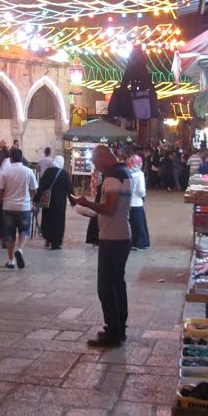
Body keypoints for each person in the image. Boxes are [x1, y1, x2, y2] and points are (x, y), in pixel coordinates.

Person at [75, 145, 132, 347]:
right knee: (118, 285)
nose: (95, 167)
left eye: (96, 163)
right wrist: (89, 210)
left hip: (114, 239)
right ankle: (118, 329)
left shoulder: (112, 177)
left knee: (106, 287)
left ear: (104, 158)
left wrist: (87, 203)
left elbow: (109, 208)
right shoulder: (125, 172)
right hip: (120, 236)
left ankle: (113, 332)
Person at [0, 147, 36, 269]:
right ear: (22, 158)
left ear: (11, 159)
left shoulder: (5, 172)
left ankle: (11, 260)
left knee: (9, 234)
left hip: (8, 207)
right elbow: (34, 190)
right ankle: (20, 250)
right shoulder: (28, 171)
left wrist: (2, 200)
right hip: (24, 207)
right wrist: (32, 202)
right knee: (24, 230)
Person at [36, 154, 73, 250]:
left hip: (47, 201)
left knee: (47, 220)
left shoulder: (47, 172)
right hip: (59, 203)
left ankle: (48, 239)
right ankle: (55, 243)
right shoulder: (64, 174)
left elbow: (41, 187)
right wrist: (73, 201)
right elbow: (69, 189)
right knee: (58, 222)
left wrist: (36, 199)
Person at [127, 155, 150, 250]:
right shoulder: (139, 174)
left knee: (130, 224)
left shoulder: (127, 173)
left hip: (127, 203)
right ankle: (140, 243)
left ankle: (131, 242)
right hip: (137, 203)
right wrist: (143, 195)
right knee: (139, 224)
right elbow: (141, 190)